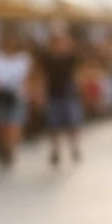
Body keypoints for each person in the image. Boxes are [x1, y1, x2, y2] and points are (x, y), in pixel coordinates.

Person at [0, 29, 35, 166]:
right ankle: (3, 146)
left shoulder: (24, 59)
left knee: (14, 123)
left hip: (17, 95)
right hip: (1, 94)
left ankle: (11, 149)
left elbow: (28, 77)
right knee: (2, 123)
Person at [39, 23, 83, 165]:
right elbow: (43, 77)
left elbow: (77, 75)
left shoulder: (71, 58)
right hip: (53, 94)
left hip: (68, 94)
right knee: (54, 126)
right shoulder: (47, 59)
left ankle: (74, 147)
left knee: (72, 124)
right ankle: (55, 150)